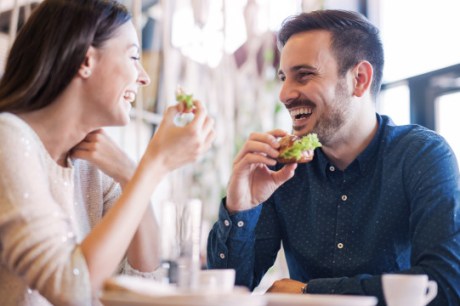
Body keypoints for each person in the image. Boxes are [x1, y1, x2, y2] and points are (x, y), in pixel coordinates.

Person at [207, 9, 460, 306]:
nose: (285, 94)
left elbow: (444, 285)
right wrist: (240, 209)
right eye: (283, 78)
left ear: (360, 79)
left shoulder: (421, 155)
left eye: (304, 75)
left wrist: (309, 292)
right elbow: (229, 290)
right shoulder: (279, 169)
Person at [0, 0, 215, 305]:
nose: (144, 77)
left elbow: (144, 278)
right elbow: (71, 288)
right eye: (133, 57)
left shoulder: (91, 165)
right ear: (85, 60)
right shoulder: (8, 138)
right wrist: (154, 165)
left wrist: (131, 173)